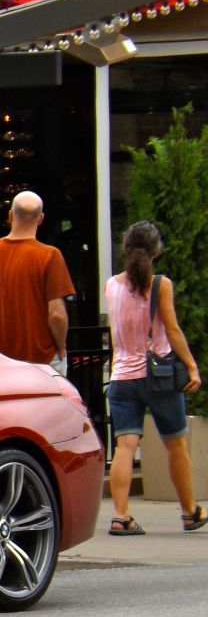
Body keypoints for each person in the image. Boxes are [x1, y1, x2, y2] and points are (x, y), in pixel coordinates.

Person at [105, 221, 206, 535]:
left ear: (125, 249)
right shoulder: (160, 284)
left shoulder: (111, 285)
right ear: (156, 251)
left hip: (121, 377)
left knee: (125, 446)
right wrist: (191, 366)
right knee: (175, 445)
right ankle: (189, 512)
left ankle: (121, 516)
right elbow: (172, 331)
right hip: (158, 376)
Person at [0, 190, 75, 375]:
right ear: (41, 219)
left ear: (10, 216)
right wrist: (60, 348)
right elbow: (57, 314)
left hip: (1, 359)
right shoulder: (50, 256)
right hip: (42, 360)